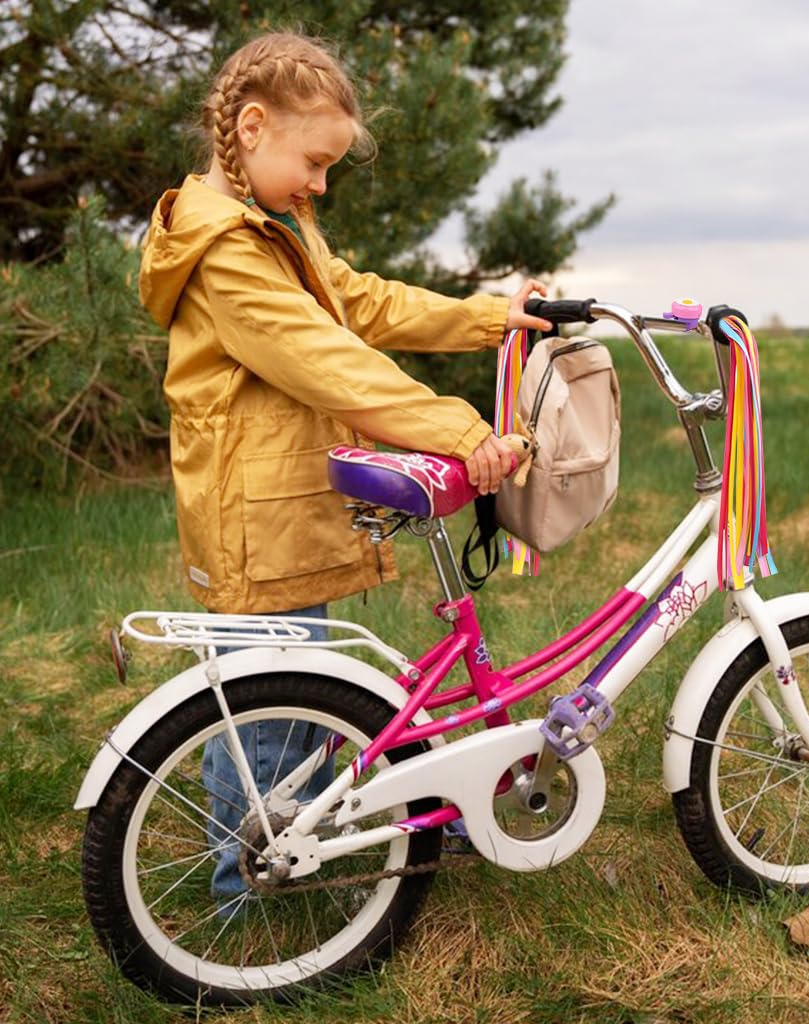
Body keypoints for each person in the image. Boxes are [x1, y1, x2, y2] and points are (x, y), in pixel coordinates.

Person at [137, 30, 551, 908]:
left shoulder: (274, 224)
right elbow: (328, 361)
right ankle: (248, 894)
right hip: (258, 518)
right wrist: (459, 429)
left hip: (278, 503)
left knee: (295, 699)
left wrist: (491, 319)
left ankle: (294, 854)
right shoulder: (226, 253)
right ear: (252, 127)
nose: (322, 184)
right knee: (270, 717)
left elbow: (357, 302)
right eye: (315, 162)